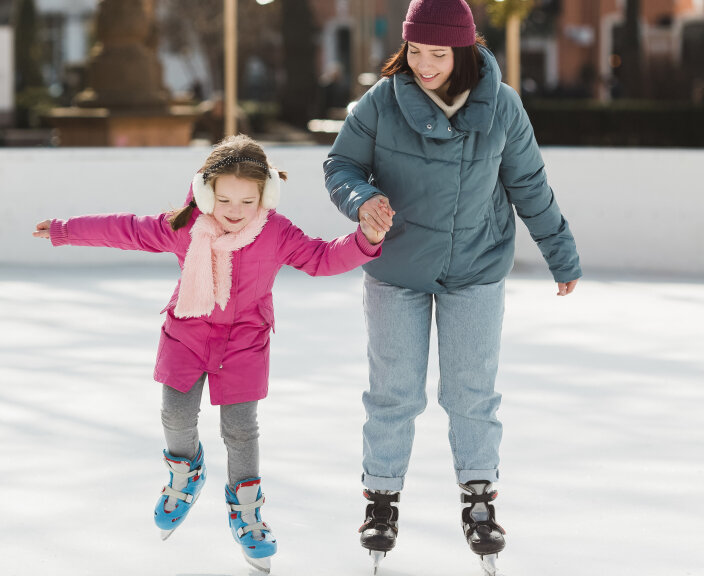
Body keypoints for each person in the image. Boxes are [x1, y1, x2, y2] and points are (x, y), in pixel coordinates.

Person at [33, 134, 392, 572]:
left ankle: (246, 507)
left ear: (265, 196)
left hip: (245, 342)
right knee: (175, 415)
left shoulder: (276, 232)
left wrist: (365, 239)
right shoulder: (185, 226)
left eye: (247, 201)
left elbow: (320, 258)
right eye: (224, 200)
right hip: (187, 332)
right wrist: (65, 230)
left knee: (241, 431)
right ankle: (186, 473)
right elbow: (126, 229)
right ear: (207, 193)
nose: (235, 212)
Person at [322, 0, 582, 573]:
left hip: (476, 267)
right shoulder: (382, 101)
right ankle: (382, 498)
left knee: (471, 392)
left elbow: (529, 184)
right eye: (415, 51)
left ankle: (479, 499)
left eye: (437, 54)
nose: (424, 65)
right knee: (394, 392)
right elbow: (340, 167)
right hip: (397, 269)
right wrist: (362, 201)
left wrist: (560, 252)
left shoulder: (503, 106)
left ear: (464, 50)